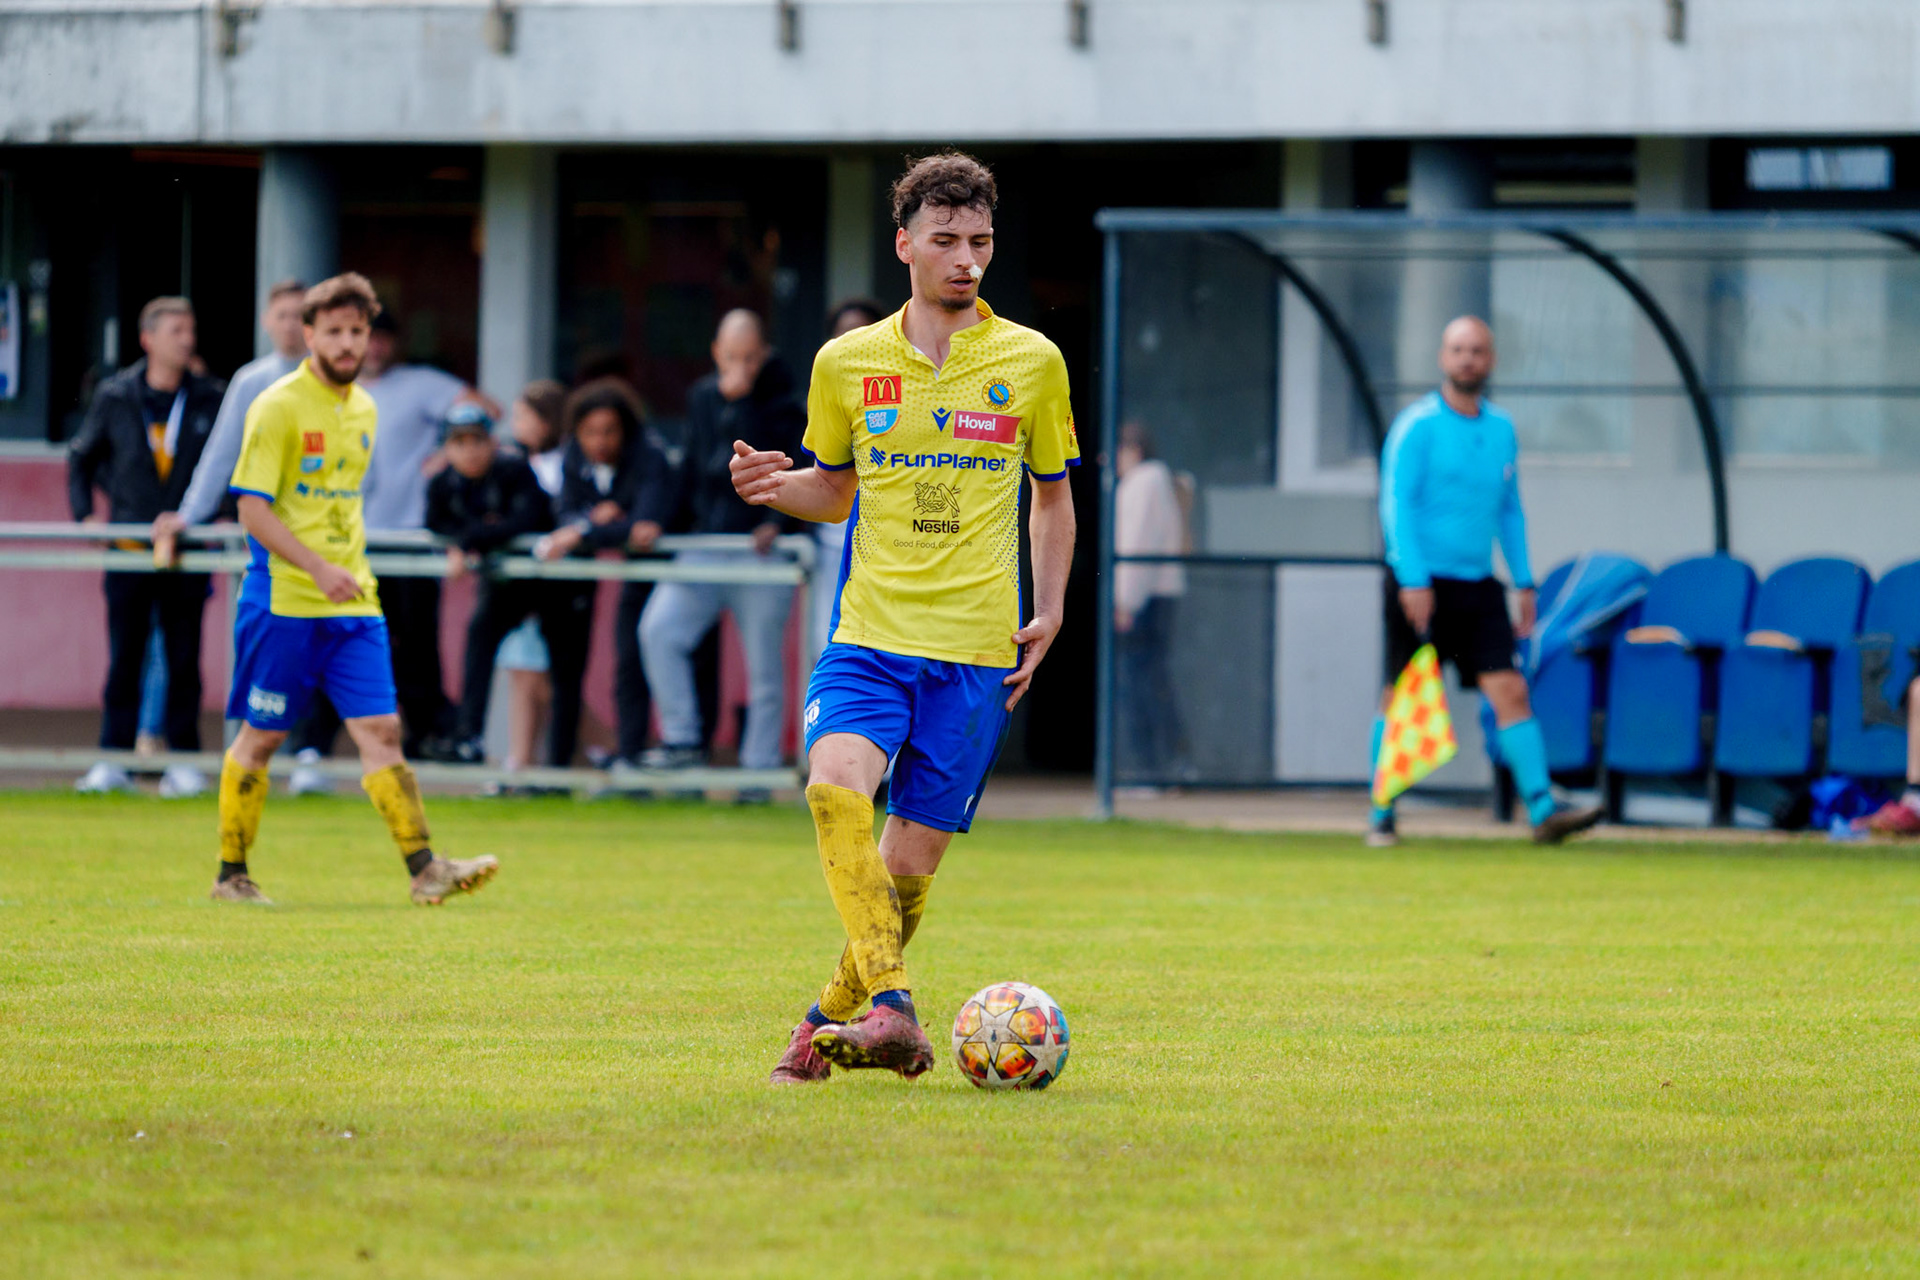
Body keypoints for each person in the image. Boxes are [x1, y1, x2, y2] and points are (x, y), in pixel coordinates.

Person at [731, 152, 1079, 1084]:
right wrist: (776, 489)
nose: (967, 258)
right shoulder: (844, 364)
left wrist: (1048, 611)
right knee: (834, 786)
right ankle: (895, 1009)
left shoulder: (1032, 362)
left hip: (975, 658)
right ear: (905, 246)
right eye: (947, 241)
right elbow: (835, 491)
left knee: (902, 881)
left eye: (981, 241)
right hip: (870, 639)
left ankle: (817, 1035)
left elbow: (1051, 498)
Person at [210, 272, 498, 906]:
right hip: (284, 601)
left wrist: (341, 571)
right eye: (334, 331)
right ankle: (231, 874)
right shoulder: (278, 405)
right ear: (308, 334)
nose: (347, 343)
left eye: (357, 332)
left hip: (354, 602)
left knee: (382, 731)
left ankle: (426, 869)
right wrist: (316, 568)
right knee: (262, 738)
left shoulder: (365, 408)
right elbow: (252, 510)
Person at [1370, 316, 1602, 848]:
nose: (1467, 359)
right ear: (1442, 358)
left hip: (1478, 587)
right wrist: (1412, 578)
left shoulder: (1501, 429)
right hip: (1420, 582)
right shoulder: (1417, 426)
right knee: (1400, 699)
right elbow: (1396, 504)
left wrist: (1523, 580)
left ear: (1490, 360)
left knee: (1511, 688)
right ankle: (1381, 809)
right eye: (1457, 350)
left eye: (1476, 350)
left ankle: (1543, 810)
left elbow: (1509, 510)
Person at [296, 309, 487, 774]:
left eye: (380, 338)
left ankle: (424, 740)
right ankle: (313, 746)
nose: (372, 348)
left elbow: (485, 412)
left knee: (413, 647)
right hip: (345, 543)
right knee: (336, 639)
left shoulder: (420, 384)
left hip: (407, 543)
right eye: (362, 338)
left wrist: (451, 453)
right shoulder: (323, 389)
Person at [67, 296, 227, 798]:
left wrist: (212, 516)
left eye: (190, 329)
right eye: (176, 330)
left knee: (184, 659)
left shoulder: (210, 397)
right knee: (125, 658)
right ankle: (113, 759)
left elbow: (230, 465)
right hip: (129, 548)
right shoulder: (116, 395)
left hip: (187, 548)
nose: (187, 339)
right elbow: (80, 458)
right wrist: (87, 519)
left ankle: (181, 760)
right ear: (148, 339)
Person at [638, 310, 806, 777]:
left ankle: (758, 767)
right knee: (659, 631)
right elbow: (692, 466)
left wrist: (778, 521)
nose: (741, 367)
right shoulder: (700, 397)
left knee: (762, 668)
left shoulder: (781, 403)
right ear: (716, 353)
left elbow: (796, 468)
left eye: (751, 358)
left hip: (759, 553)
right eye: (733, 356)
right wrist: (657, 521)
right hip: (705, 544)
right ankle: (681, 739)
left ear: (765, 356)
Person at [426, 403, 583, 772]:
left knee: (559, 675)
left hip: (552, 582)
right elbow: (436, 523)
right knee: (488, 647)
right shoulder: (443, 483)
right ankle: (470, 738)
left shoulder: (513, 470)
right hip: (505, 585)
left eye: (477, 440)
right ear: (447, 447)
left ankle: (563, 763)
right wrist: (465, 540)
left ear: (492, 442)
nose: (470, 450)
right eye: (459, 442)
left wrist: (469, 540)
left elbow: (524, 520)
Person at [536, 378, 673, 766]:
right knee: (625, 661)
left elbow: (644, 527)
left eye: (609, 431)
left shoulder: (650, 456)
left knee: (662, 659)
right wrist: (597, 523)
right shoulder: (574, 458)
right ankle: (629, 757)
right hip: (629, 570)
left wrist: (585, 528)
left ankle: (676, 755)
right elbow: (563, 514)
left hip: (671, 570)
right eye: (590, 432)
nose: (599, 441)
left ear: (625, 431)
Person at [161, 278, 310, 537]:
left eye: (298, 316)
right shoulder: (249, 381)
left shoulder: (333, 380)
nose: (289, 325)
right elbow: (221, 453)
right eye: (282, 315)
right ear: (266, 320)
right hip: (267, 530)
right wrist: (189, 515)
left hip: (323, 528)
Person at [488, 380, 574, 783]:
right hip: (518, 587)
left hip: (555, 588)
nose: (516, 423)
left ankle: (530, 763)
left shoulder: (565, 465)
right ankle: (521, 762)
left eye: (524, 415)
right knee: (522, 670)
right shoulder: (511, 463)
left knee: (543, 679)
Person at [807, 299, 887, 667]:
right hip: (831, 549)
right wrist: (768, 486)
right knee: (828, 653)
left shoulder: (901, 395)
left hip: (893, 553)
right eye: (842, 334)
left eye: (861, 333)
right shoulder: (824, 391)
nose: (850, 342)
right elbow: (820, 482)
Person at [1113, 422, 1189, 779]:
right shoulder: (1158, 481)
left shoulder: (1144, 482)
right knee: (1153, 682)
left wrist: (1126, 602)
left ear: (1133, 449)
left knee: (1141, 686)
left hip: (1145, 601)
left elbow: (1137, 545)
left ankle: (1154, 771)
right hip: (1159, 597)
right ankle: (1169, 768)